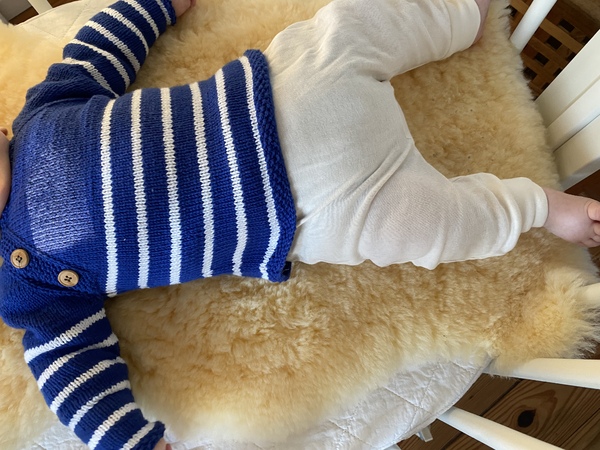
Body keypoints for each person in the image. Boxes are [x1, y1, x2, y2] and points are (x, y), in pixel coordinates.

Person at [0, 0, 599, 449]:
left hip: (279, 90)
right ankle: (539, 208)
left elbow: (96, 52)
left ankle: (456, 15)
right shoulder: (24, 277)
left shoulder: (42, 111)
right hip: (310, 210)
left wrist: (154, 6)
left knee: (353, 26)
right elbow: (67, 363)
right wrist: (128, 440)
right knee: (431, 230)